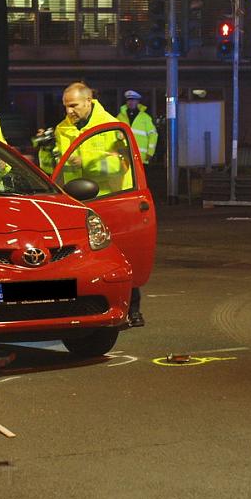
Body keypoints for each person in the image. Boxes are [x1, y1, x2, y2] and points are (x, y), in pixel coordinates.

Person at [41, 81, 145, 327]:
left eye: (74, 105)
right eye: (66, 106)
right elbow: (55, 169)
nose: (69, 111)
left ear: (89, 101)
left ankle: (132, 309)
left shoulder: (110, 127)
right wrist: (45, 151)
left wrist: (84, 160)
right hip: (76, 205)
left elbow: (121, 165)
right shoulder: (61, 129)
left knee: (120, 257)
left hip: (111, 201)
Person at [117, 89, 158, 167]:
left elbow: (153, 135)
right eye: (129, 100)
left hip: (141, 157)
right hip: (125, 156)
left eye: (133, 100)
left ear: (137, 101)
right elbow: (116, 135)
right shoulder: (120, 117)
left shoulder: (145, 118)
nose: (131, 102)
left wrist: (150, 152)